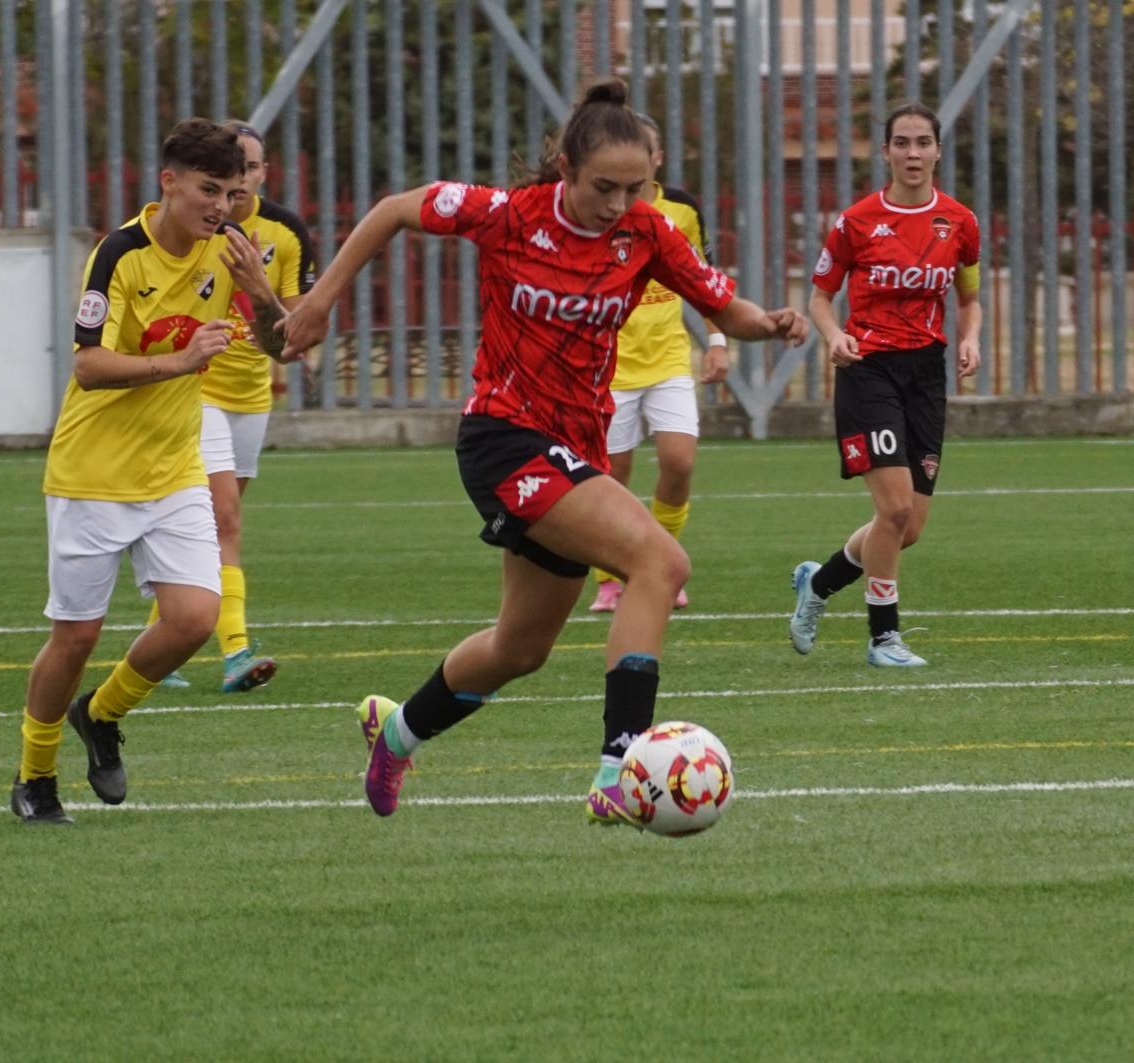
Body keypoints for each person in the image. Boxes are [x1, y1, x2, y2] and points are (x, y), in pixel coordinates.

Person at [280, 79, 808, 824]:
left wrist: (771, 322)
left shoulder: (649, 233)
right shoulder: (506, 215)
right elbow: (395, 209)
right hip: (503, 435)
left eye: (636, 187)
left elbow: (724, 306)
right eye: (604, 187)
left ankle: (395, 731)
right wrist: (322, 299)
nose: (619, 203)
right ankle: (619, 770)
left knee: (519, 647)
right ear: (564, 167)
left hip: (573, 449)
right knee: (661, 563)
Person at [11, 118, 290, 824]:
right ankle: (34, 775)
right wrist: (181, 360)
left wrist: (259, 292)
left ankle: (100, 715)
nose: (221, 206)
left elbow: (280, 345)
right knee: (74, 637)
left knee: (193, 618)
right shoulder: (120, 254)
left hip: (173, 469)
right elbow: (88, 366)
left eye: (231, 192)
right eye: (207, 190)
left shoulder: (229, 253)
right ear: (168, 182)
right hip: (93, 473)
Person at [787, 102, 982, 668]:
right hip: (867, 369)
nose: (913, 153)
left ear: (938, 150)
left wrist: (969, 340)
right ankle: (883, 637)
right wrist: (831, 336)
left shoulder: (960, 222)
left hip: (925, 373)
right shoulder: (856, 222)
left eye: (923, 142)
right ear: (887, 151)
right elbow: (821, 296)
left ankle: (817, 584)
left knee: (908, 527)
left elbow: (969, 298)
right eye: (902, 142)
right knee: (893, 509)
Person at [153, 120, 318, 694]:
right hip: (195, 394)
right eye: (230, 171)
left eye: (250, 169)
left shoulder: (285, 233)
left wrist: (258, 290)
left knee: (209, 525)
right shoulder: (191, 229)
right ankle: (235, 652)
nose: (239, 183)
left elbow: (294, 336)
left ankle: (163, 640)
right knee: (224, 518)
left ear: (262, 173)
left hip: (251, 395)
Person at [588, 113, 729, 613]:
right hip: (609, 365)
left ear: (656, 159)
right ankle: (610, 578)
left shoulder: (681, 211)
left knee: (679, 461)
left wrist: (717, 341)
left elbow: (706, 277)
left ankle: (663, 565)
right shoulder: (599, 211)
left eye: (642, 157)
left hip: (668, 358)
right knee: (612, 476)